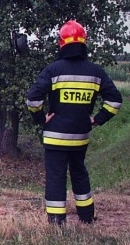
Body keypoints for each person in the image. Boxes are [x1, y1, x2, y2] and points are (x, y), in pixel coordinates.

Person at [26, 20, 123, 225]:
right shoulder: (96, 72)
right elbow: (115, 101)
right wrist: (97, 120)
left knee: (56, 177)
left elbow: (33, 99)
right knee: (79, 173)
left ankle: (56, 220)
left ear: (62, 43)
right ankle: (87, 217)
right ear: (83, 43)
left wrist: (40, 118)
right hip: (80, 136)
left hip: (55, 137)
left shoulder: (53, 70)